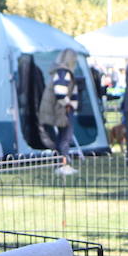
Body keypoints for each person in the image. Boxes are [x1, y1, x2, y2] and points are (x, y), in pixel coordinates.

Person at [39, 48, 81, 176]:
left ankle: (59, 163)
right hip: (61, 110)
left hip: (58, 109)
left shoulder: (59, 71)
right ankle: (63, 164)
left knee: (61, 138)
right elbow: (60, 92)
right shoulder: (64, 72)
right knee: (65, 138)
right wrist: (68, 103)